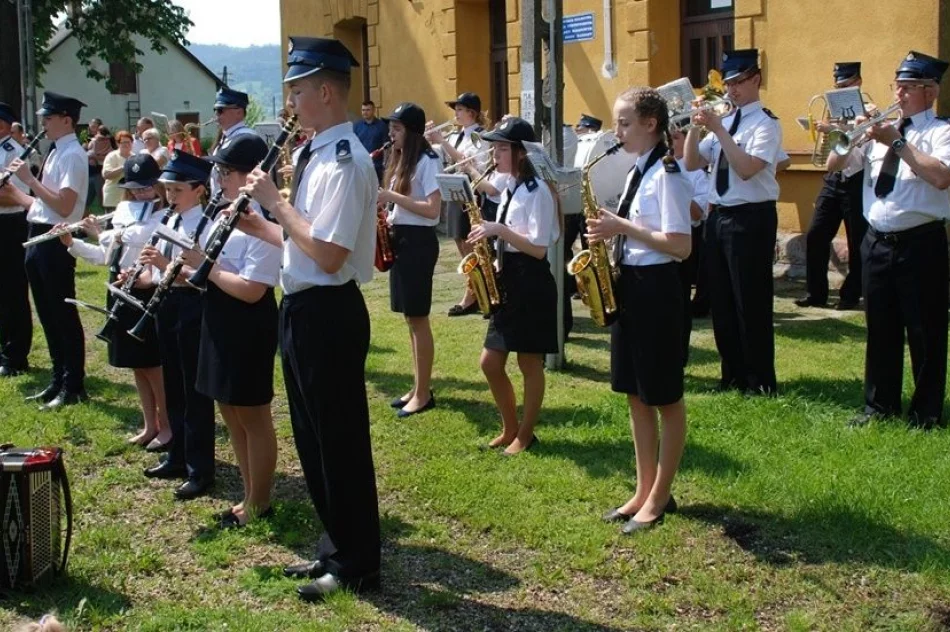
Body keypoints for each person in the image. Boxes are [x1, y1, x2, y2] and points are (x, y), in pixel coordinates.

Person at [240, 36, 381, 600]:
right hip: (301, 307)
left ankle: (357, 563)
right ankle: (334, 548)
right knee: (314, 439)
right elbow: (304, 244)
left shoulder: (347, 161)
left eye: (297, 91)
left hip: (329, 313)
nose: (290, 102)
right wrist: (262, 227)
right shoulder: (316, 153)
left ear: (325, 91)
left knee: (339, 442)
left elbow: (328, 254)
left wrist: (276, 203)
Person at [588, 87, 692, 534]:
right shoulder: (637, 170)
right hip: (631, 284)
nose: (617, 132)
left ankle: (660, 496)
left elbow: (681, 245)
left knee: (664, 397)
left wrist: (621, 226)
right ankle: (643, 488)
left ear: (651, 124)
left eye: (625, 123)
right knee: (634, 391)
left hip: (658, 290)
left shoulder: (668, 174)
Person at [829, 51, 950, 430]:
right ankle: (878, 406)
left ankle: (926, 412)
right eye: (897, 86)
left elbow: (941, 177)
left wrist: (896, 141)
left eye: (908, 87)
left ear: (931, 91)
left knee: (925, 330)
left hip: (921, 242)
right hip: (877, 241)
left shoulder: (941, 132)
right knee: (880, 327)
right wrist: (849, 134)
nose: (899, 94)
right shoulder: (880, 130)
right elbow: (834, 165)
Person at [187, 134, 281, 528]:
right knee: (229, 409)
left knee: (252, 414)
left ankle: (260, 500)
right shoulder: (224, 213)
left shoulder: (264, 222)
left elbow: (252, 289)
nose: (219, 179)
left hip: (248, 322)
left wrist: (205, 267)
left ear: (249, 175)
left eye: (226, 172)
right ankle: (247, 492)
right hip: (219, 315)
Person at [684, 49, 783, 396]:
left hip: (751, 218)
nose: (732, 90)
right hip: (719, 217)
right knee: (722, 303)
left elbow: (745, 168)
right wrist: (694, 127)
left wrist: (718, 129)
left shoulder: (766, 124)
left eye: (739, 82)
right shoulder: (725, 122)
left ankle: (759, 380)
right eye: (728, 84)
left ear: (756, 80)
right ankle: (732, 376)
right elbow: (692, 163)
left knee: (750, 302)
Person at [60, 154, 171, 450]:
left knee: (153, 365)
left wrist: (102, 233)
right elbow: (106, 256)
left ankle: (167, 426)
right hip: (121, 289)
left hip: (148, 291)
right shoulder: (124, 211)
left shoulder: (164, 216)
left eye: (147, 187)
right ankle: (149, 425)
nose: (141, 194)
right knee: (136, 365)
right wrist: (73, 243)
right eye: (135, 189)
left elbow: (137, 237)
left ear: (158, 186)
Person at [467, 117, 560, 455]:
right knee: (490, 363)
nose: (495, 155)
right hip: (509, 277)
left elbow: (538, 248)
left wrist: (499, 231)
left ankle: (526, 433)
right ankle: (510, 428)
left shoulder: (538, 192)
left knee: (529, 363)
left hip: (531, 280)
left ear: (521, 152)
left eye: (501, 148)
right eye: (494, 148)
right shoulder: (511, 186)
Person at [3, 92, 89, 409]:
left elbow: (64, 206)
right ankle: (58, 378)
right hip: (38, 234)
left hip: (56, 239)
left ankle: (73, 384)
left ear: (66, 120)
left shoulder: (73, 155)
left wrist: (28, 179)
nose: (43, 124)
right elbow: (42, 206)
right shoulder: (56, 151)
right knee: (47, 314)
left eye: (48, 118)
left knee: (62, 314)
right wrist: (15, 192)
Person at [138, 152, 218, 500]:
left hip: (192, 306)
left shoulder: (207, 224)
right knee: (172, 382)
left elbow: (202, 277)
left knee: (192, 389)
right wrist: (142, 276)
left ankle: (200, 468)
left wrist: (164, 264)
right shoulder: (169, 220)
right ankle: (178, 455)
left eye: (178, 190)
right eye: (168, 189)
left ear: (199, 190)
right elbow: (157, 272)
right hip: (166, 303)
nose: (170, 196)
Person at [379, 102, 442, 417]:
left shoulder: (428, 161)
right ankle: (418, 387)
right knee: (410, 319)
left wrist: (390, 197)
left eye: (397, 128)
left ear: (413, 132)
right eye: (391, 128)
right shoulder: (404, 159)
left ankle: (424, 393)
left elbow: (432, 210)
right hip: (402, 238)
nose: (391, 134)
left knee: (418, 319)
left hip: (418, 242)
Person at [795, 62, 869, 310]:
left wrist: (835, 128)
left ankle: (851, 294)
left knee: (857, 240)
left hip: (857, 178)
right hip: (834, 178)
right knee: (816, 235)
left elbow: (860, 135)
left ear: (858, 82)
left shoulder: (868, 110)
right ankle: (815, 293)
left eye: (846, 85)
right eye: (837, 86)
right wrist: (822, 129)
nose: (840, 90)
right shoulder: (834, 111)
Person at [426, 92, 488, 317]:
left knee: (471, 244)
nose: (456, 114)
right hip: (454, 190)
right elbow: (443, 158)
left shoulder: (481, 136)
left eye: (460, 110)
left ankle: (477, 293)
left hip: (472, 192)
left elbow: (466, 161)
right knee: (460, 242)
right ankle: (475, 289)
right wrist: (429, 141)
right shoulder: (455, 135)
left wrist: (442, 141)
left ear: (472, 113)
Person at [0, 102, 33, 377]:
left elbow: (17, 195)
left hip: (10, 224)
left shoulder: (14, 152)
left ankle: (15, 355)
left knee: (12, 291)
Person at [671, 129, 710, 363]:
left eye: (676, 137)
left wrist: (676, 186)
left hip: (683, 239)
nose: (669, 140)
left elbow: (698, 213)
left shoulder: (696, 173)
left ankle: (679, 355)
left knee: (680, 301)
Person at [210, 87, 258, 197]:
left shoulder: (246, 139)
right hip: (224, 199)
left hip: (238, 199)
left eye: (220, 110)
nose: (216, 115)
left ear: (239, 112)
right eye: (215, 111)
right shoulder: (227, 136)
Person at [354, 100, 389, 182]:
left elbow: (386, 146)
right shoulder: (356, 126)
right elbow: (354, 145)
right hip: (361, 166)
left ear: (374, 110)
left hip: (377, 166)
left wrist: (385, 164)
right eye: (363, 110)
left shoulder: (382, 126)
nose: (365, 112)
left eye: (368, 110)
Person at [85, 118, 114, 212]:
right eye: (91, 126)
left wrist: (94, 157)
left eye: (94, 126)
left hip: (100, 173)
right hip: (89, 173)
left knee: (103, 201)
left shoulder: (108, 140)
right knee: (85, 201)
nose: (92, 129)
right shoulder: (88, 140)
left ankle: (109, 217)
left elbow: (110, 156)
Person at [101, 130, 134, 212]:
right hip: (113, 198)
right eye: (123, 142)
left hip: (130, 199)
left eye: (128, 142)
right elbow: (106, 175)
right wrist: (124, 166)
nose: (126, 144)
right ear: (118, 144)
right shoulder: (112, 156)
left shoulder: (135, 157)